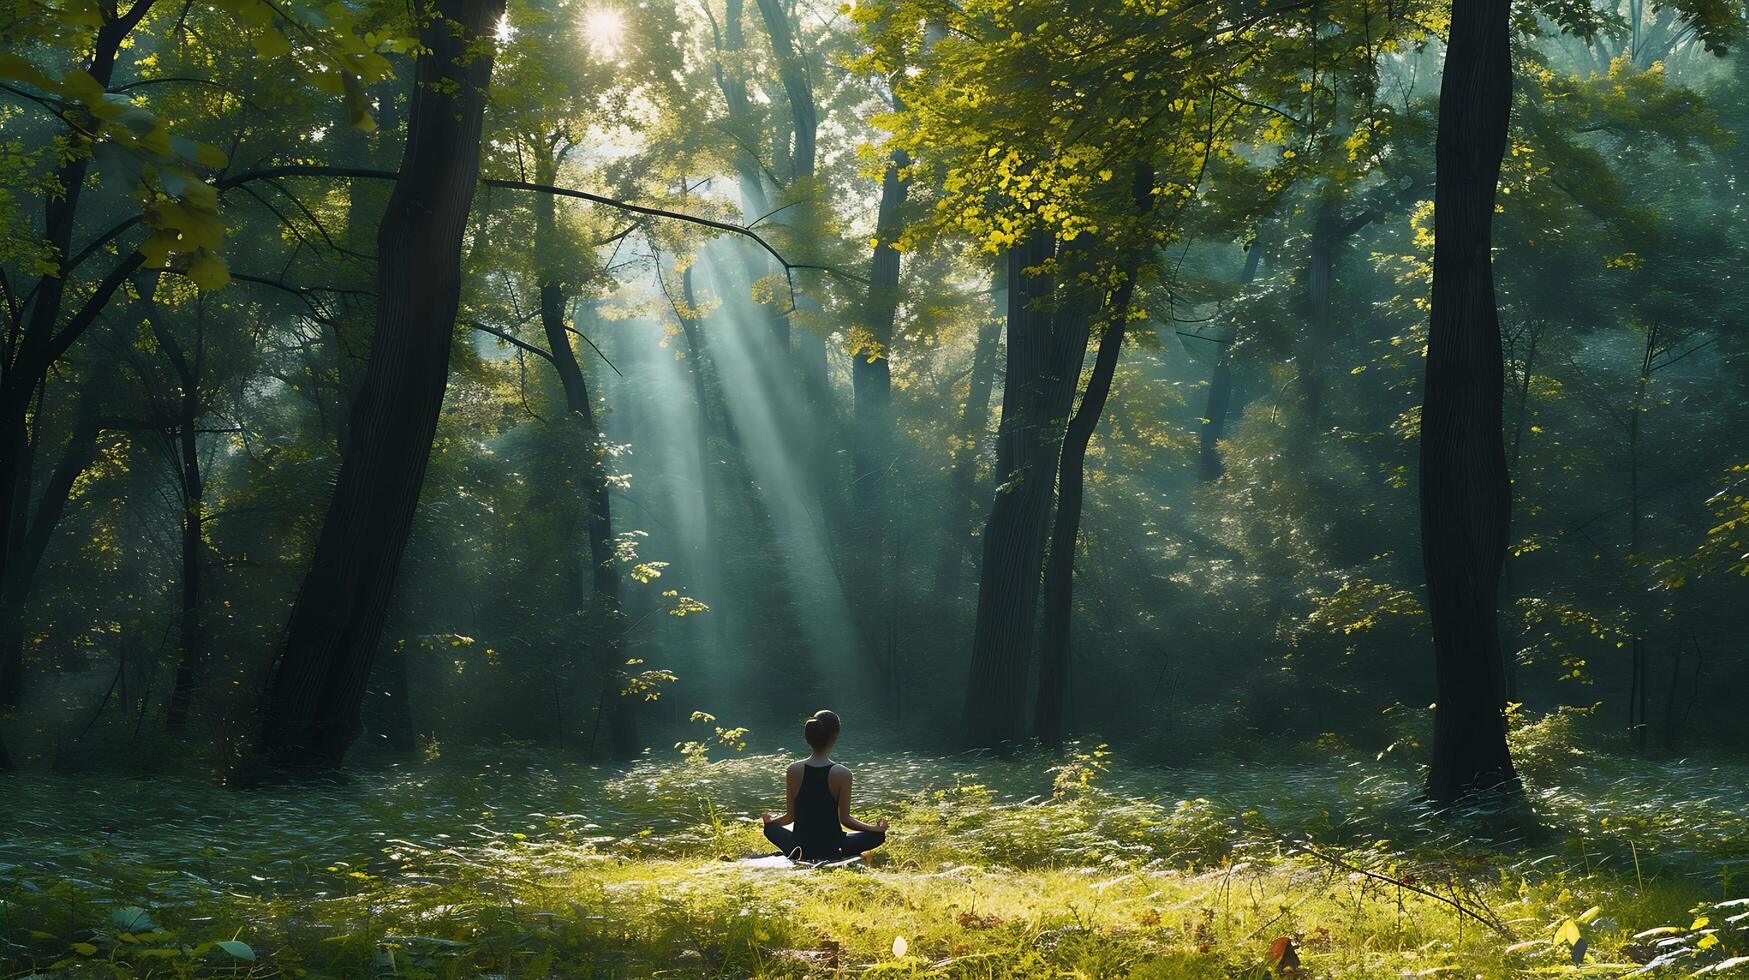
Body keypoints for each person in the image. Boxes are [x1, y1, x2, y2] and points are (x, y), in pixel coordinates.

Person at [760, 709, 889, 864]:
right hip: (833, 846)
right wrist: (876, 829)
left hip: (799, 845)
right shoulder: (843, 773)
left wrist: (771, 822)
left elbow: (790, 817)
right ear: (834, 737)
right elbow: (846, 820)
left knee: (770, 829)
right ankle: (837, 852)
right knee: (878, 837)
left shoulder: (793, 770)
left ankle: (794, 851)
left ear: (809, 738)